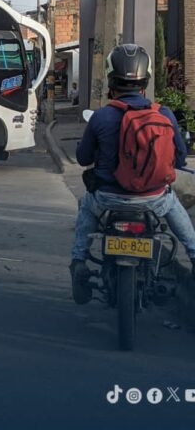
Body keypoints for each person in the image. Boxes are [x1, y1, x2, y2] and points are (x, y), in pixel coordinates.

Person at [70, 44, 195, 303]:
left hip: (108, 198)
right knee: (174, 205)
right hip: (153, 198)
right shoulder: (164, 114)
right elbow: (180, 157)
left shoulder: (102, 116)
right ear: (145, 80)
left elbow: (82, 158)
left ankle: (79, 262)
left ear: (111, 78)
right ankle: (194, 254)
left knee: (86, 207)